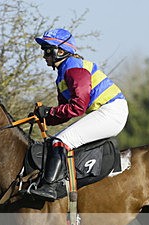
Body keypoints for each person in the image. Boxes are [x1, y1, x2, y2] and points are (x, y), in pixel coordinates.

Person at [27, 28, 128, 200]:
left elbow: (78, 107)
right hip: (105, 111)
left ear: (60, 50)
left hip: (111, 111)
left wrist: (49, 112)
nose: (44, 55)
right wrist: (45, 117)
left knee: (61, 141)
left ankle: (50, 187)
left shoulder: (73, 68)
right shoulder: (62, 75)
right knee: (54, 142)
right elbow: (65, 112)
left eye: (47, 49)